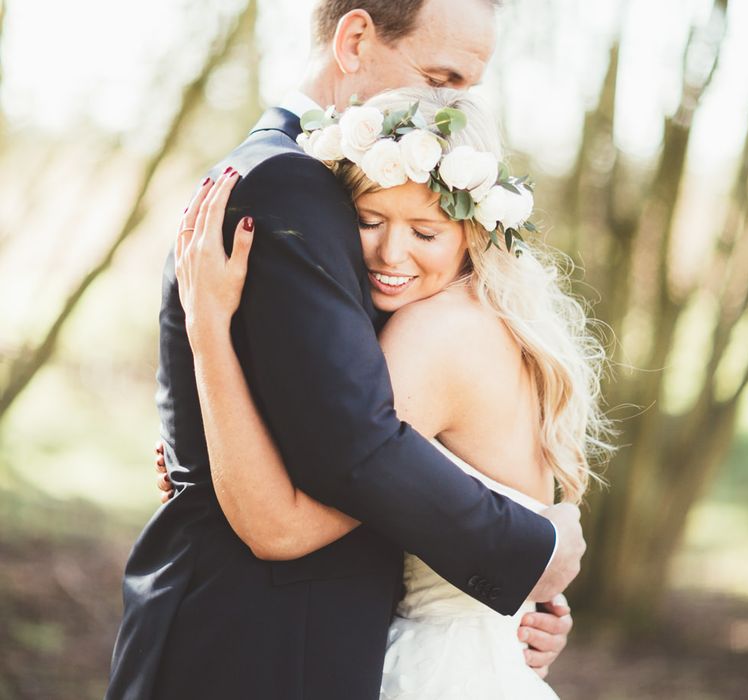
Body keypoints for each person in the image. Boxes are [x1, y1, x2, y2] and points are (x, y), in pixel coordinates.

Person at [106, 2, 587, 698]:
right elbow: (356, 446)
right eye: (442, 76)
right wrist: (535, 549)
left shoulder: (431, 303)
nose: (448, 112)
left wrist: (517, 584)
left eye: (465, 91)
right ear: (356, 38)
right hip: (254, 647)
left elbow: (349, 436)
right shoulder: (292, 185)